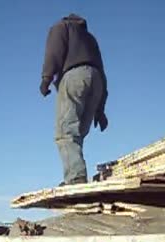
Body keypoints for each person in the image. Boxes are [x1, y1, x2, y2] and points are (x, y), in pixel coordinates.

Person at [39, 14, 108, 186]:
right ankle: (75, 173)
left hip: (74, 76)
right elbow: (101, 68)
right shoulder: (90, 39)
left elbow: (54, 51)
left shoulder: (62, 27)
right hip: (97, 80)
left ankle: (75, 178)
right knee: (77, 133)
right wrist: (100, 110)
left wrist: (46, 78)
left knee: (66, 132)